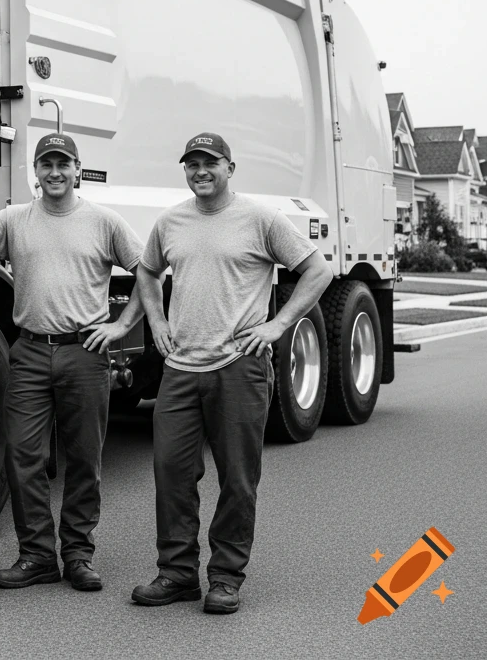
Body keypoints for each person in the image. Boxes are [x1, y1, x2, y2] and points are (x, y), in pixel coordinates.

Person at [132, 132, 333, 614]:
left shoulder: (260, 219)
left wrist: (279, 324)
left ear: (230, 168)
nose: (200, 171)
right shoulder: (171, 221)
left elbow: (318, 270)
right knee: (172, 476)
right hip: (180, 370)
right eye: (192, 163)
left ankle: (225, 577)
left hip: (239, 367)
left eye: (210, 163)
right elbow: (145, 271)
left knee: (238, 479)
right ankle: (177, 574)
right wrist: (157, 321)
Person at [0, 132, 144, 593]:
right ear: (35, 174)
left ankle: (77, 554)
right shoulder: (14, 220)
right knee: (22, 456)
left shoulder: (104, 221)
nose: (55, 172)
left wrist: (121, 326)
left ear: (78, 169)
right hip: (31, 350)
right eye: (46, 164)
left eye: (63, 164)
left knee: (83, 459)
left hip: (85, 353)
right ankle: (37, 554)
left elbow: (147, 270)